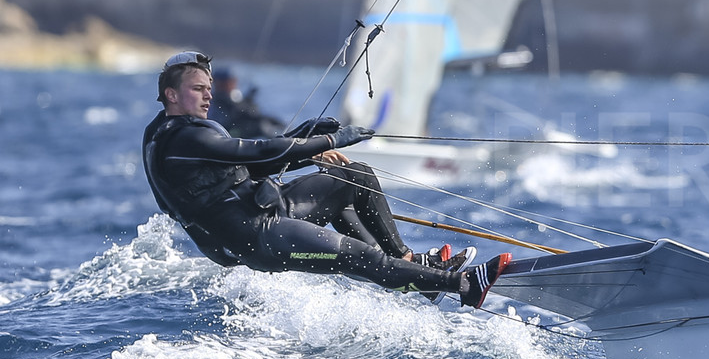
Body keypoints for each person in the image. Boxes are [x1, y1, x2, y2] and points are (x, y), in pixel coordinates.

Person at [141, 51, 508, 307]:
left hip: (269, 209)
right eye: (197, 89)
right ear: (171, 95)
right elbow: (254, 152)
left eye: (208, 88)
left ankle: (411, 264)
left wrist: (304, 139)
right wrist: (329, 140)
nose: (207, 96)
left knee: (354, 176)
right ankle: (463, 286)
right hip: (257, 238)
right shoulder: (182, 138)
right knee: (360, 256)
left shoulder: (185, 132)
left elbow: (250, 171)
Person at [209, 66, 286, 139]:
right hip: (229, 134)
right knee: (261, 127)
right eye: (223, 83)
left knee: (266, 124)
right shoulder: (214, 99)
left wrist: (249, 101)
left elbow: (250, 112)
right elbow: (238, 112)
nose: (229, 84)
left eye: (231, 81)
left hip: (240, 129)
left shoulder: (236, 97)